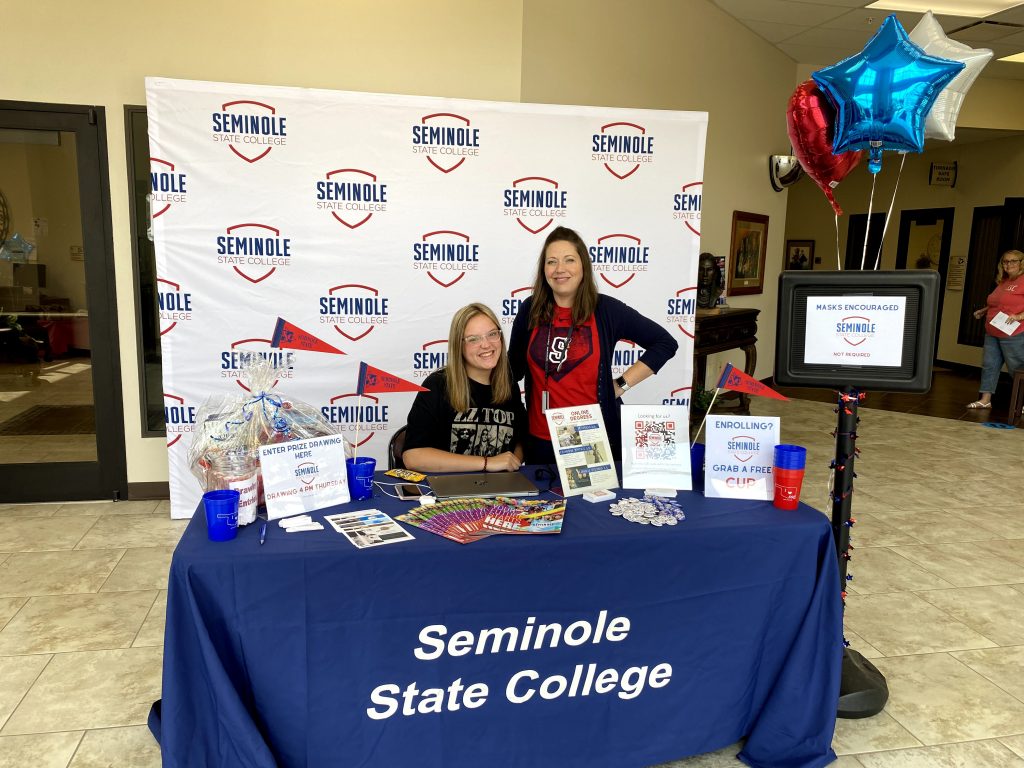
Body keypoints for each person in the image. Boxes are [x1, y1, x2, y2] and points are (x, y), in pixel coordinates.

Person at [509, 226, 679, 464]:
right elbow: (511, 370)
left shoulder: (606, 310)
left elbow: (664, 343)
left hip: (591, 439)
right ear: (543, 269)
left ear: (583, 266)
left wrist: (620, 384)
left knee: (590, 502)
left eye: (569, 260)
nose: (560, 269)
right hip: (540, 440)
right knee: (546, 502)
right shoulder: (530, 309)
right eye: (552, 262)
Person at [402, 303, 525, 472]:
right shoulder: (438, 384)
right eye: (473, 339)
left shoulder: (509, 386)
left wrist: (512, 463)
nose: (486, 344)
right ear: (459, 346)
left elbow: (520, 441)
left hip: (499, 492)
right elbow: (413, 456)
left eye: (492, 334)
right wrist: (486, 463)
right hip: (447, 490)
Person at [967, 249, 1024, 410]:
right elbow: (997, 303)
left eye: (1014, 261)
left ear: (1021, 263)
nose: (1009, 264)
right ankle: (985, 400)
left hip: (1014, 333)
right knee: (989, 365)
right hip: (992, 331)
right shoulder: (1003, 281)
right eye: (1005, 261)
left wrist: (1020, 316)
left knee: (1017, 369)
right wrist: (983, 310)